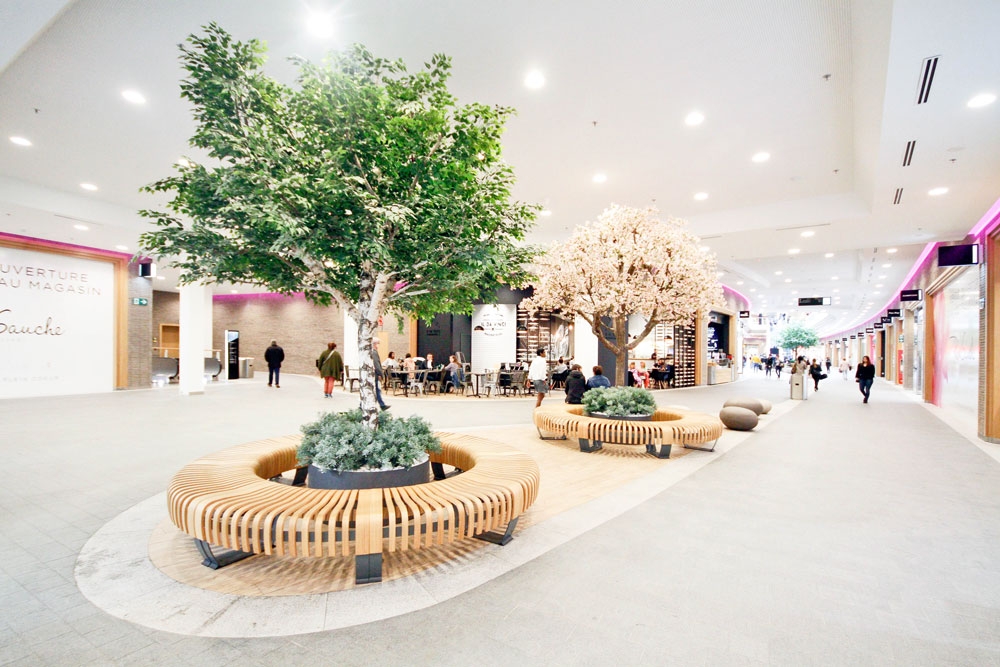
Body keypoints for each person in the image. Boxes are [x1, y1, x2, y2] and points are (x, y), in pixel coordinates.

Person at [370, 338, 390, 410]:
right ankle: (382, 405)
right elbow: (376, 364)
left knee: (375, 390)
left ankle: (382, 405)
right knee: (376, 389)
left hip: (372, 374)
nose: (378, 346)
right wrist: (380, 374)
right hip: (375, 375)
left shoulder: (371, 352)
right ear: (374, 344)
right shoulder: (374, 352)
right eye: (378, 344)